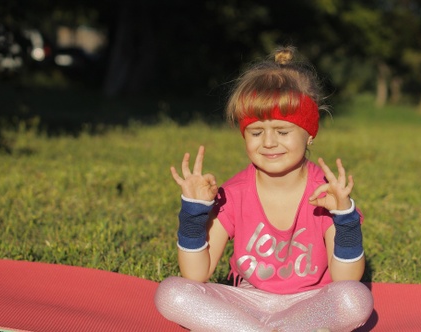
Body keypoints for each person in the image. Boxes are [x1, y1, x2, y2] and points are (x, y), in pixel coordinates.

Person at [155, 46, 373, 332]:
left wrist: (345, 218)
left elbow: (346, 278)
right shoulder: (233, 193)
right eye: (256, 132)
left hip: (311, 305)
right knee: (171, 293)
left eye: (283, 132)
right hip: (246, 303)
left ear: (309, 135)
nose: (268, 142)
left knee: (355, 299)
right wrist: (194, 213)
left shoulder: (326, 195)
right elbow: (196, 274)